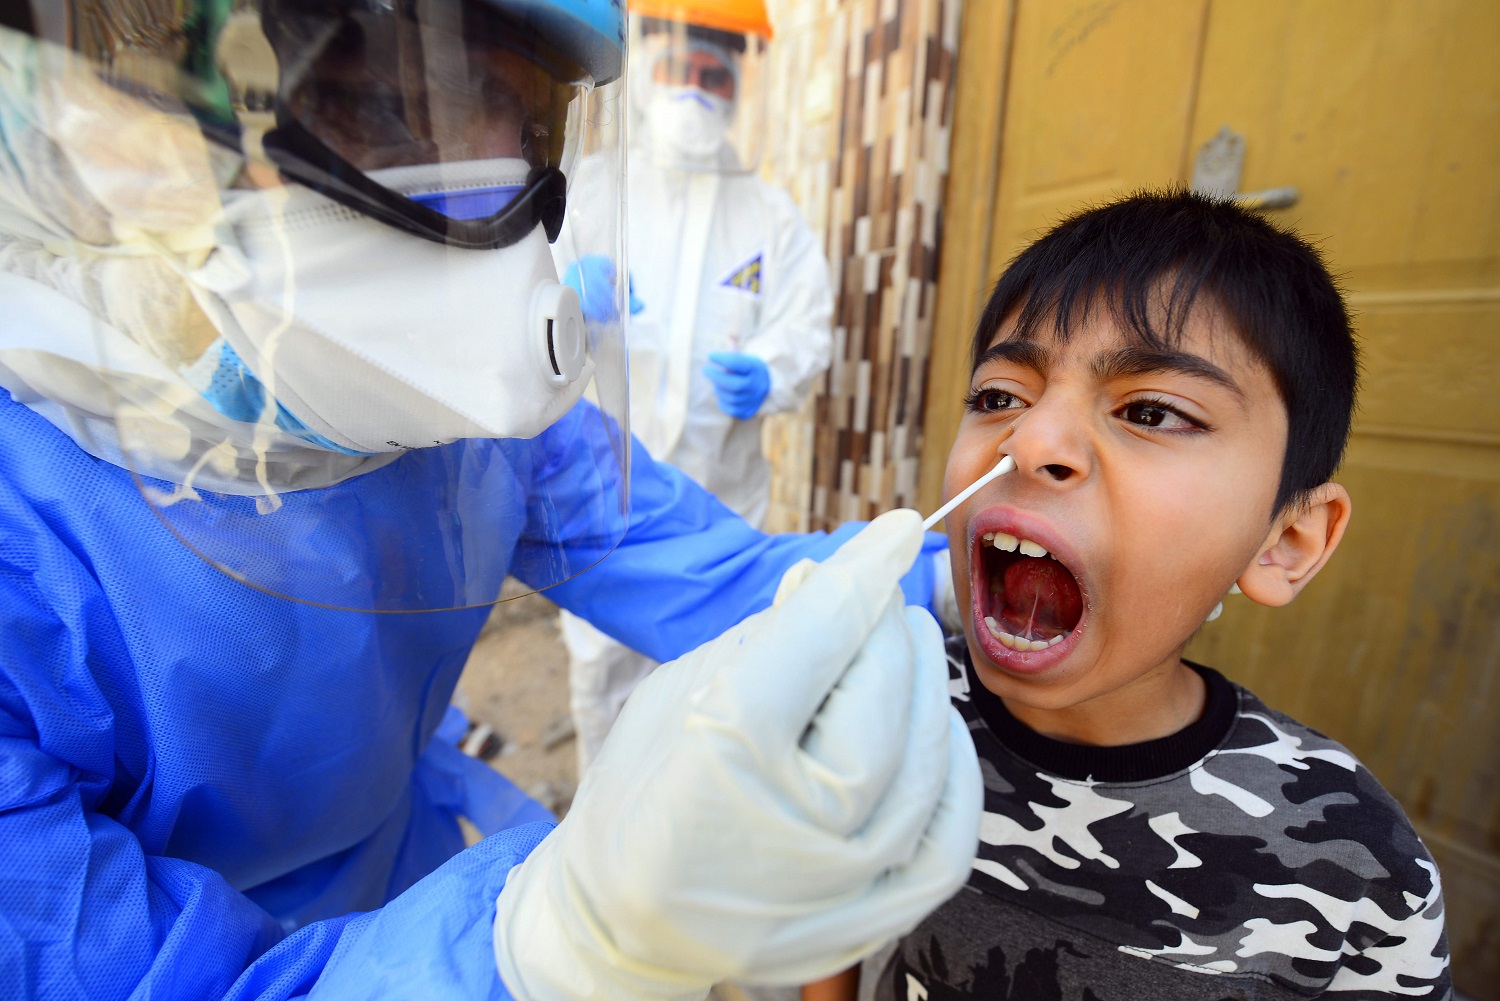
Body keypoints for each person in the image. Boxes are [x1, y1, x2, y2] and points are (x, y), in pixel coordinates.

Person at [0, 3, 983, 998]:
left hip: (415, 893)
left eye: (525, 126)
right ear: (125, 123)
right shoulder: (24, 539)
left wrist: (951, 576)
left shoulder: (481, 430)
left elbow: (715, 573)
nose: (500, 188)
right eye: (393, 102)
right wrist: (545, 944)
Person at [804, 192, 1452, 1000]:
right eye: (1001, 396)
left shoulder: (1356, 861)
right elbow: (821, 918)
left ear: (1285, 540)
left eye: (1151, 410)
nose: (1030, 441)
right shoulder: (886, 705)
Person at [557, 0, 835, 770]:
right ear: (646, 70)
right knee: (603, 675)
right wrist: (566, 292)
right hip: (607, 494)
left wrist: (773, 371)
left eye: (714, 75)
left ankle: (679, 833)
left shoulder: (769, 217)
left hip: (719, 498)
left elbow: (806, 327)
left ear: (740, 85)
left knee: (705, 678)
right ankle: (594, 836)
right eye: (680, 68)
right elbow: (518, 303)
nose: (694, 90)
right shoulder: (593, 191)